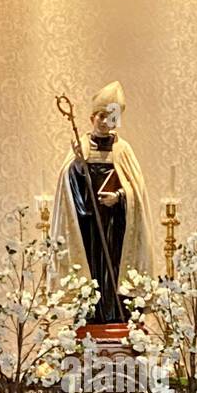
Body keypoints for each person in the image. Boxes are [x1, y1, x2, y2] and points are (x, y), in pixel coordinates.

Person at [51, 81, 155, 324]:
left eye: (111, 117)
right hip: (88, 226)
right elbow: (67, 188)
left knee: (114, 272)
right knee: (93, 270)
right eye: (101, 116)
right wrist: (78, 164)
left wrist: (118, 197)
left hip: (116, 227)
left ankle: (116, 314)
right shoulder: (82, 146)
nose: (105, 122)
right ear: (91, 118)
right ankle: (93, 316)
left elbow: (137, 191)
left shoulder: (123, 150)